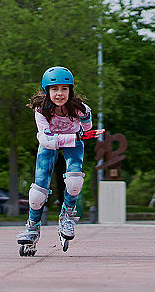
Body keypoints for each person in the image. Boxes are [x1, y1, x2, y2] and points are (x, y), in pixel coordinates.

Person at [16, 66, 103, 255]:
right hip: (53, 144)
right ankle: (32, 227)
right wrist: (79, 136)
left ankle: (67, 216)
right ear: (47, 91)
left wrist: (84, 133)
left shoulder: (80, 109)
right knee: (38, 192)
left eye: (64, 89)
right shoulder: (41, 110)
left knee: (74, 181)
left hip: (73, 143)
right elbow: (46, 140)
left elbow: (87, 125)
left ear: (71, 90)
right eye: (55, 89)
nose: (59, 94)